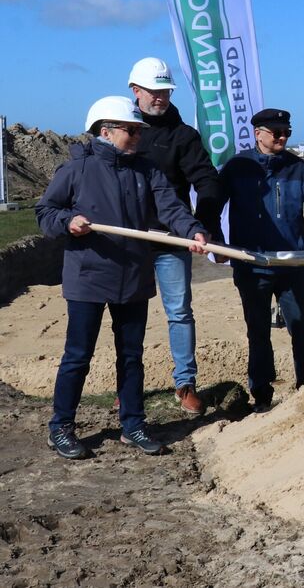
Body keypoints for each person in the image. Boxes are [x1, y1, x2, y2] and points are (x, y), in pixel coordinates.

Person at [36, 96, 209, 459]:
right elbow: (46, 212)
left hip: (133, 277)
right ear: (106, 131)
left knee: (131, 356)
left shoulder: (147, 171)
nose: (137, 137)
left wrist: (192, 230)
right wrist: (67, 222)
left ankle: (133, 424)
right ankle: (61, 427)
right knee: (77, 356)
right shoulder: (77, 170)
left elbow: (171, 207)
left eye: (139, 130)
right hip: (88, 276)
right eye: (131, 130)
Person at [221, 108, 304, 413]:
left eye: (286, 133)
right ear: (258, 134)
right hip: (253, 264)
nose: (282, 137)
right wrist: (213, 242)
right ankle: (261, 396)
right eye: (276, 132)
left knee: (302, 329)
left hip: (293, 265)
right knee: (258, 331)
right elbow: (212, 204)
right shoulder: (237, 168)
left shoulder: (300, 170)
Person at [126, 56, 225, 415]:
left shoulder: (184, 136)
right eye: (154, 91)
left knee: (179, 312)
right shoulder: (120, 130)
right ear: (135, 90)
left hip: (172, 237)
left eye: (166, 90)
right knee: (128, 312)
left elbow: (206, 180)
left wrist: (203, 225)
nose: (161, 97)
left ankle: (185, 383)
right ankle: (129, 387)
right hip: (129, 238)